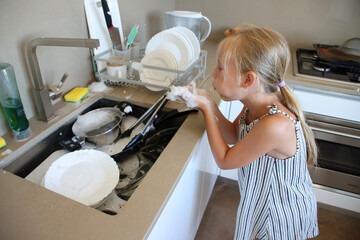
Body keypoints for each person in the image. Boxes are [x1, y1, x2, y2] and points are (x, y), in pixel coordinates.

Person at [177, 24, 319, 239]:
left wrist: (206, 109)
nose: (213, 73)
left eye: (221, 68)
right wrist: (208, 101)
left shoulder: (275, 124)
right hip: (263, 202)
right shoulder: (253, 103)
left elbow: (225, 160)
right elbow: (234, 134)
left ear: (248, 80)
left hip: (280, 213)